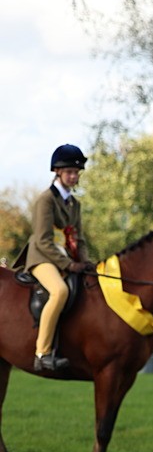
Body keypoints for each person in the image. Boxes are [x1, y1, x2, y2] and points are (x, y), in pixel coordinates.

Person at [12, 144, 93, 372]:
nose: (74, 176)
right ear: (58, 172)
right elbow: (43, 240)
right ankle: (42, 353)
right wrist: (69, 264)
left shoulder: (75, 204)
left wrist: (85, 262)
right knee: (60, 291)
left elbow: (79, 238)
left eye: (76, 173)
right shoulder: (45, 200)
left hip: (67, 257)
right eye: (69, 172)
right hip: (42, 257)